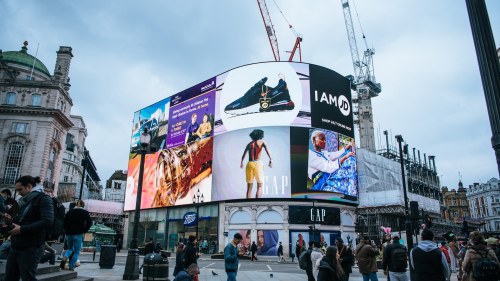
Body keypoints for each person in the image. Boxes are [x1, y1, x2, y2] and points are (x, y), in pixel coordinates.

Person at [5, 175, 54, 281]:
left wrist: (22, 229)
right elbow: (18, 221)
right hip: (16, 244)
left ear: (29, 186)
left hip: (31, 246)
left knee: (28, 277)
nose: (18, 193)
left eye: (20, 189)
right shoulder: (22, 201)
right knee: (9, 277)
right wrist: (9, 221)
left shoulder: (43, 199)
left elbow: (47, 221)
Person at [60, 199, 92, 271]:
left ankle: (64, 259)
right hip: (78, 234)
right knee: (77, 251)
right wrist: (84, 230)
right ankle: (71, 266)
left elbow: (64, 223)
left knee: (70, 248)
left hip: (69, 234)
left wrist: (66, 230)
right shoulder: (85, 212)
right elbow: (90, 223)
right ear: (83, 205)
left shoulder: (69, 212)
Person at [240, 129, 272, 199]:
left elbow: (243, 155)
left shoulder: (249, 144)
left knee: (249, 188)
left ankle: (248, 204)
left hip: (249, 164)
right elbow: (267, 151)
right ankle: (257, 203)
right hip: (258, 163)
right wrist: (270, 160)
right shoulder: (262, 142)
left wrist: (242, 162)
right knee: (260, 186)